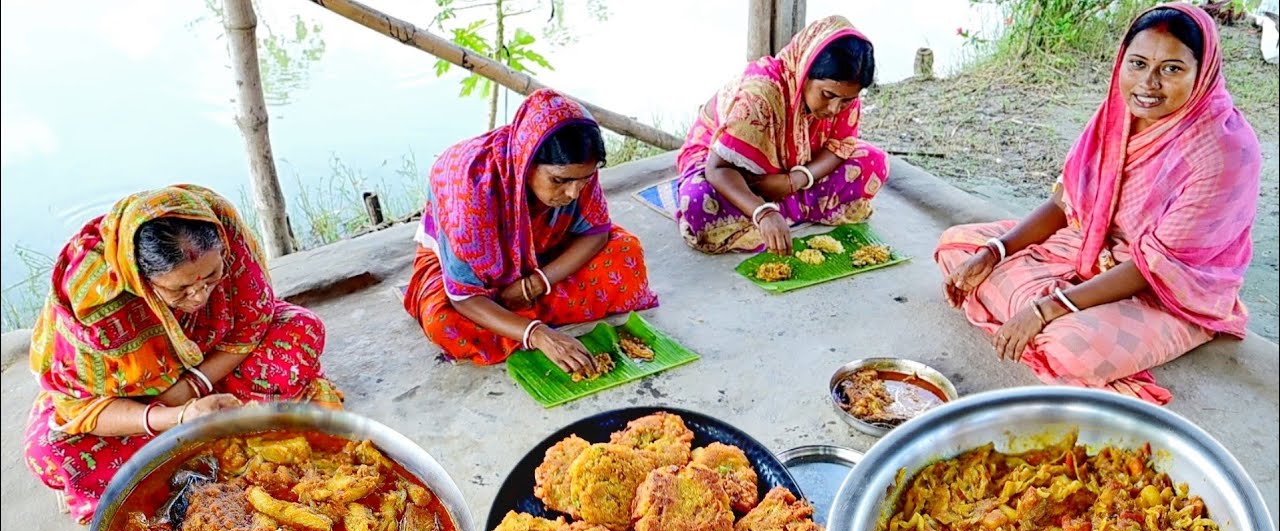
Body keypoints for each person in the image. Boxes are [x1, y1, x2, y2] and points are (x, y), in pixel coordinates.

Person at [936, 3, 1260, 404]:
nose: (1148, 83)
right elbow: (1066, 202)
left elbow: (1154, 266)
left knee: (1064, 346)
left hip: (1169, 286)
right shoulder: (1117, 114)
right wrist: (994, 251)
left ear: (1204, 71)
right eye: (1137, 63)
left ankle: (1046, 314)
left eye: (1171, 69)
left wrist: (1045, 310)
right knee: (959, 247)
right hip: (1091, 242)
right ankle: (1034, 302)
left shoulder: (1224, 150)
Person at [24, 185, 343, 522]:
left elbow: (253, 322)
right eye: (180, 289)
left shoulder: (225, 230)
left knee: (302, 331)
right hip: (141, 406)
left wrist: (193, 385)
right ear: (143, 281)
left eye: (211, 276)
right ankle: (215, 434)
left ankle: (201, 442)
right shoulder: (94, 302)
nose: (200, 296)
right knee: (49, 453)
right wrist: (177, 415)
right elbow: (80, 407)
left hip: (213, 368)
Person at [403, 89, 659, 374]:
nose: (573, 193)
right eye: (559, 180)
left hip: (544, 257)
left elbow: (596, 232)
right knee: (444, 322)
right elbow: (464, 295)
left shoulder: (577, 171)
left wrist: (535, 284)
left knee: (626, 255)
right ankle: (523, 320)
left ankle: (513, 317)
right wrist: (538, 334)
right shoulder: (471, 188)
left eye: (584, 181)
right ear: (526, 162)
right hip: (471, 281)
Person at [675, 15, 890, 255]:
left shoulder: (844, 98)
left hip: (794, 173)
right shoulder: (761, 94)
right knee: (698, 203)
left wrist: (797, 179)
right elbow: (718, 169)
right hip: (731, 169)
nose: (833, 110)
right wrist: (763, 212)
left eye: (846, 101)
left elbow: (840, 146)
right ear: (804, 71)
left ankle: (775, 210)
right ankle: (776, 211)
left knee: (874, 162)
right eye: (827, 95)